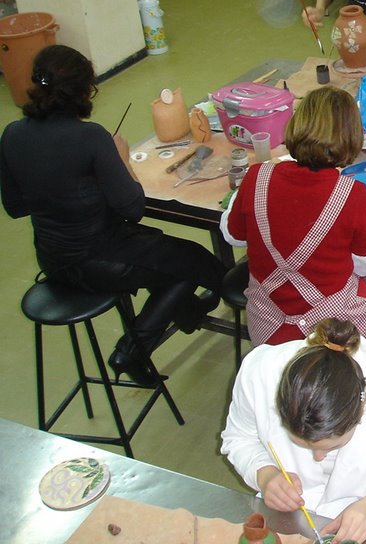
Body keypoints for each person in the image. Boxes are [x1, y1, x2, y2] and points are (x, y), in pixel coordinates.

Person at [0, 45, 224, 385]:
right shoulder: (90, 137)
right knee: (195, 261)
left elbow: (16, 207)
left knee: (174, 259)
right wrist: (119, 158)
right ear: (81, 92)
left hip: (53, 258)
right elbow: (132, 209)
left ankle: (190, 313)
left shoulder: (13, 134)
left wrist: (64, 192)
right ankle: (132, 349)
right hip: (100, 258)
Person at [220, 85, 366, 372]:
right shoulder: (350, 193)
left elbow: (232, 235)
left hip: (269, 325)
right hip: (330, 329)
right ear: (351, 138)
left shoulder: (256, 177)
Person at [221, 317, 366, 543]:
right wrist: (265, 474)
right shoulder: (261, 372)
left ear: (363, 405)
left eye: (332, 447)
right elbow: (239, 437)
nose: (317, 458)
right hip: (287, 520)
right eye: (303, 445)